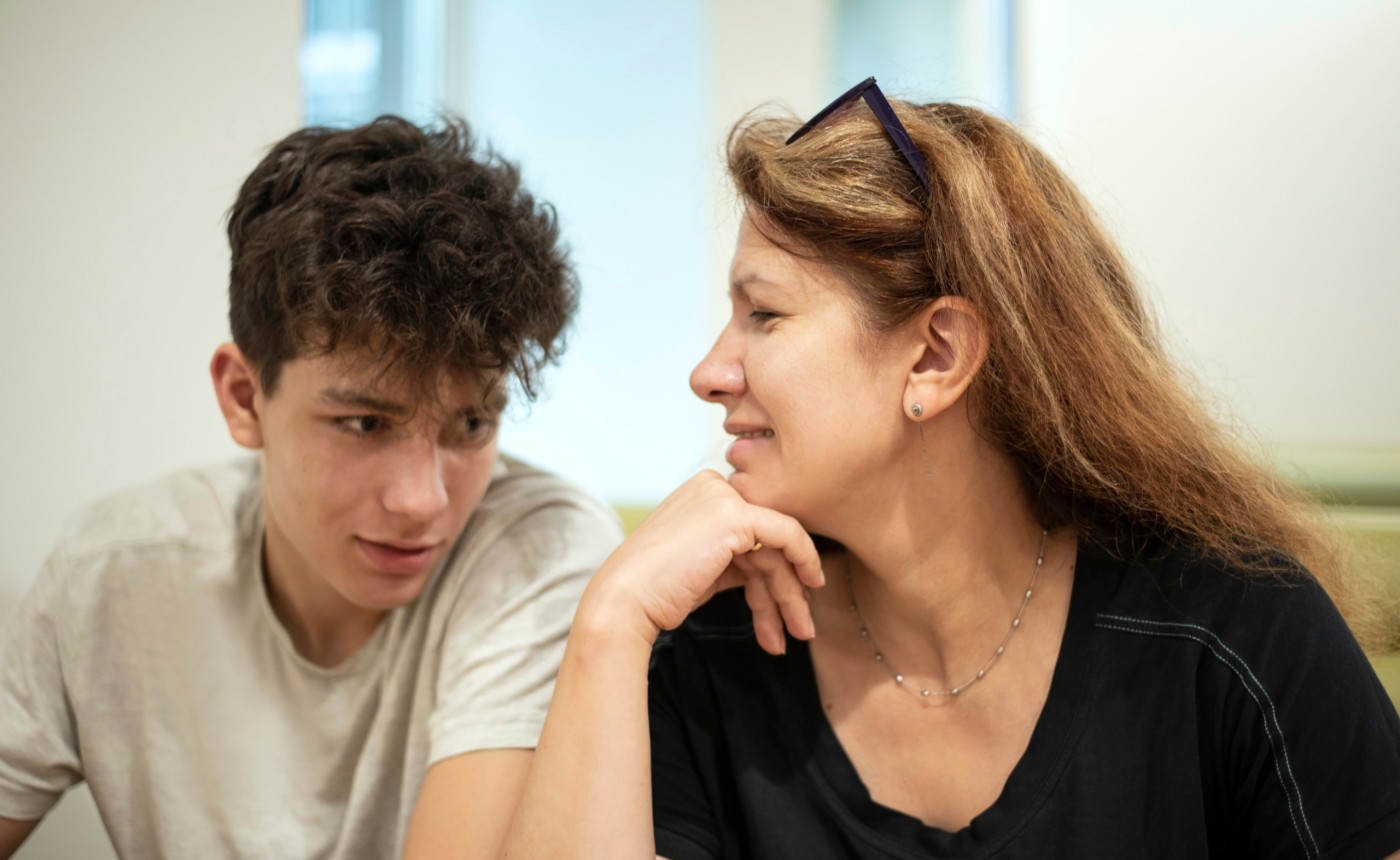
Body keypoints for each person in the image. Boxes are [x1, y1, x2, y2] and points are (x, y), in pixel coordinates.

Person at [501, 80, 1400, 859]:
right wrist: (612, 624)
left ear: (935, 356)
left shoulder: (1236, 636)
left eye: (764, 316)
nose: (709, 372)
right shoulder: (715, 653)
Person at [0, 116, 621, 859]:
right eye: (364, 423)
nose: (423, 501)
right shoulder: (113, 571)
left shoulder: (540, 551)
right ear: (242, 397)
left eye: (471, 425)